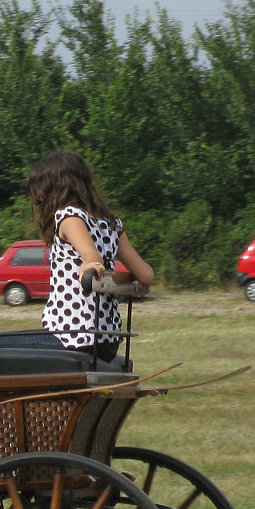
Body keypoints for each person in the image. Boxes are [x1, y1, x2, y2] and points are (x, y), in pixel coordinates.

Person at [28, 150, 154, 361]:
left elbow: (92, 259)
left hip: (70, 337)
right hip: (108, 340)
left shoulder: (69, 217)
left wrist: (91, 265)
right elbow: (146, 276)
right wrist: (123, 279)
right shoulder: (112, 224)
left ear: (55, 187)